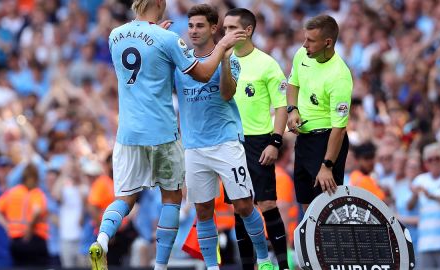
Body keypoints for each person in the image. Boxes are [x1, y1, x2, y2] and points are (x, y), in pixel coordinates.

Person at [88, 0, 247, 269]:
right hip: (161, 130)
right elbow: (205, 73)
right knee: (172, 198)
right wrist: (221, 46)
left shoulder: (115, 35)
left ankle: (102, 240)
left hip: (127, 133)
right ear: (160, 3)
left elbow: (145, 51)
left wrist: (158, 40)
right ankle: (160, 266)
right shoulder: (168, 38)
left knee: (125, 198)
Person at [174, 4, 273, 270]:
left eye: (200, 26)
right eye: (191, 25)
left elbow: (228, 93)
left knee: (243, 205)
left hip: (226, 142)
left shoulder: (233, 59)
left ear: (213, 28)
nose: (194, 31)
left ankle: (264, 258)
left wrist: (226, 60)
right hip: (193, 146)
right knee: (203, 210)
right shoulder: (180, 61)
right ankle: (211, 267)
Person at [222, 8, 289, 270]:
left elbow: (281, 106)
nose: (225, 33)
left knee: (267, 203)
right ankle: (247, 266)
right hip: (230, 141)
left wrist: (275, 141)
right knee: (240, 207)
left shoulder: (267, 64)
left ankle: (283, 265)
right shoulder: (222, 59)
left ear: (247, 30)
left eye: (231, 28)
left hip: (259, 141)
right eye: (224, 28)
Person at [286, 14, 352, 211]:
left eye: (311, 40)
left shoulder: (339, 76)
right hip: (303, 140)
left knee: (325, 210)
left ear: (328, 42)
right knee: (307, 208)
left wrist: (327, 165)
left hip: (326, 143)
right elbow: (293, 83)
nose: (304, 44)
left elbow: (339, 129)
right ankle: (311, 243)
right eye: (305, 38)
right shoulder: (302, 55)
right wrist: (292, 110)